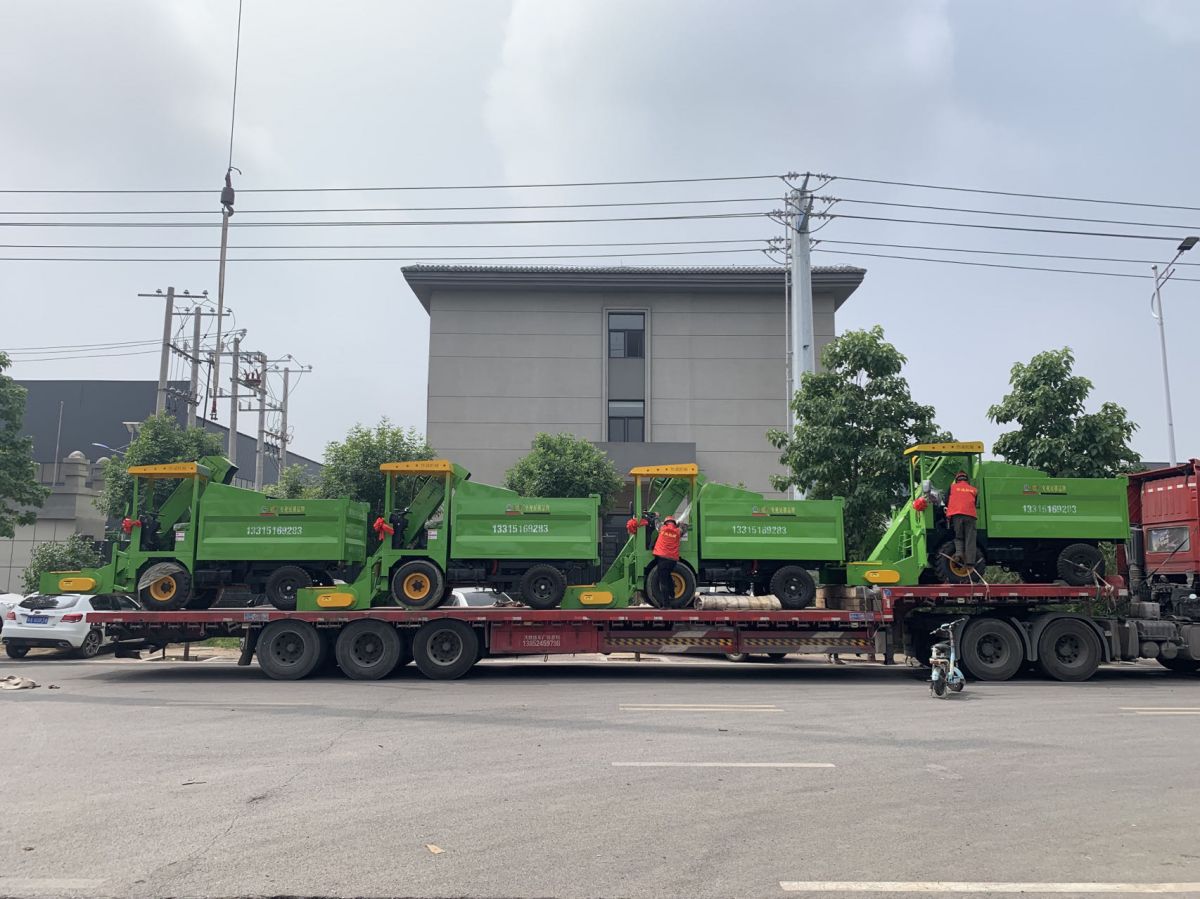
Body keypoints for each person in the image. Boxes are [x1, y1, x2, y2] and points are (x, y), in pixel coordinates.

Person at [626, 513, 684, 605]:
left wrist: (656, 516)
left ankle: (666, 605)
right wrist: (680, 524)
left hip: (662, 558)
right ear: (674, 523)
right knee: (668, 577)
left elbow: (656, 523)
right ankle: (672, 595)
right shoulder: (677, 531)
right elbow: (683, 528)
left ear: (666, 523)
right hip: (672, 560)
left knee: (663, 582)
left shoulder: (662, 528)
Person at [945, 471, 979, 566]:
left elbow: (946, 501)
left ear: (957, 480)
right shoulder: (973, 490)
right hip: (970, 516)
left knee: (959, 536)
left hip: (957, 515)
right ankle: (970, 562)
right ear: (967, 480)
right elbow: (975, 503)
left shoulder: (952, 488)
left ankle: (959, 554)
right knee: (970, 539)